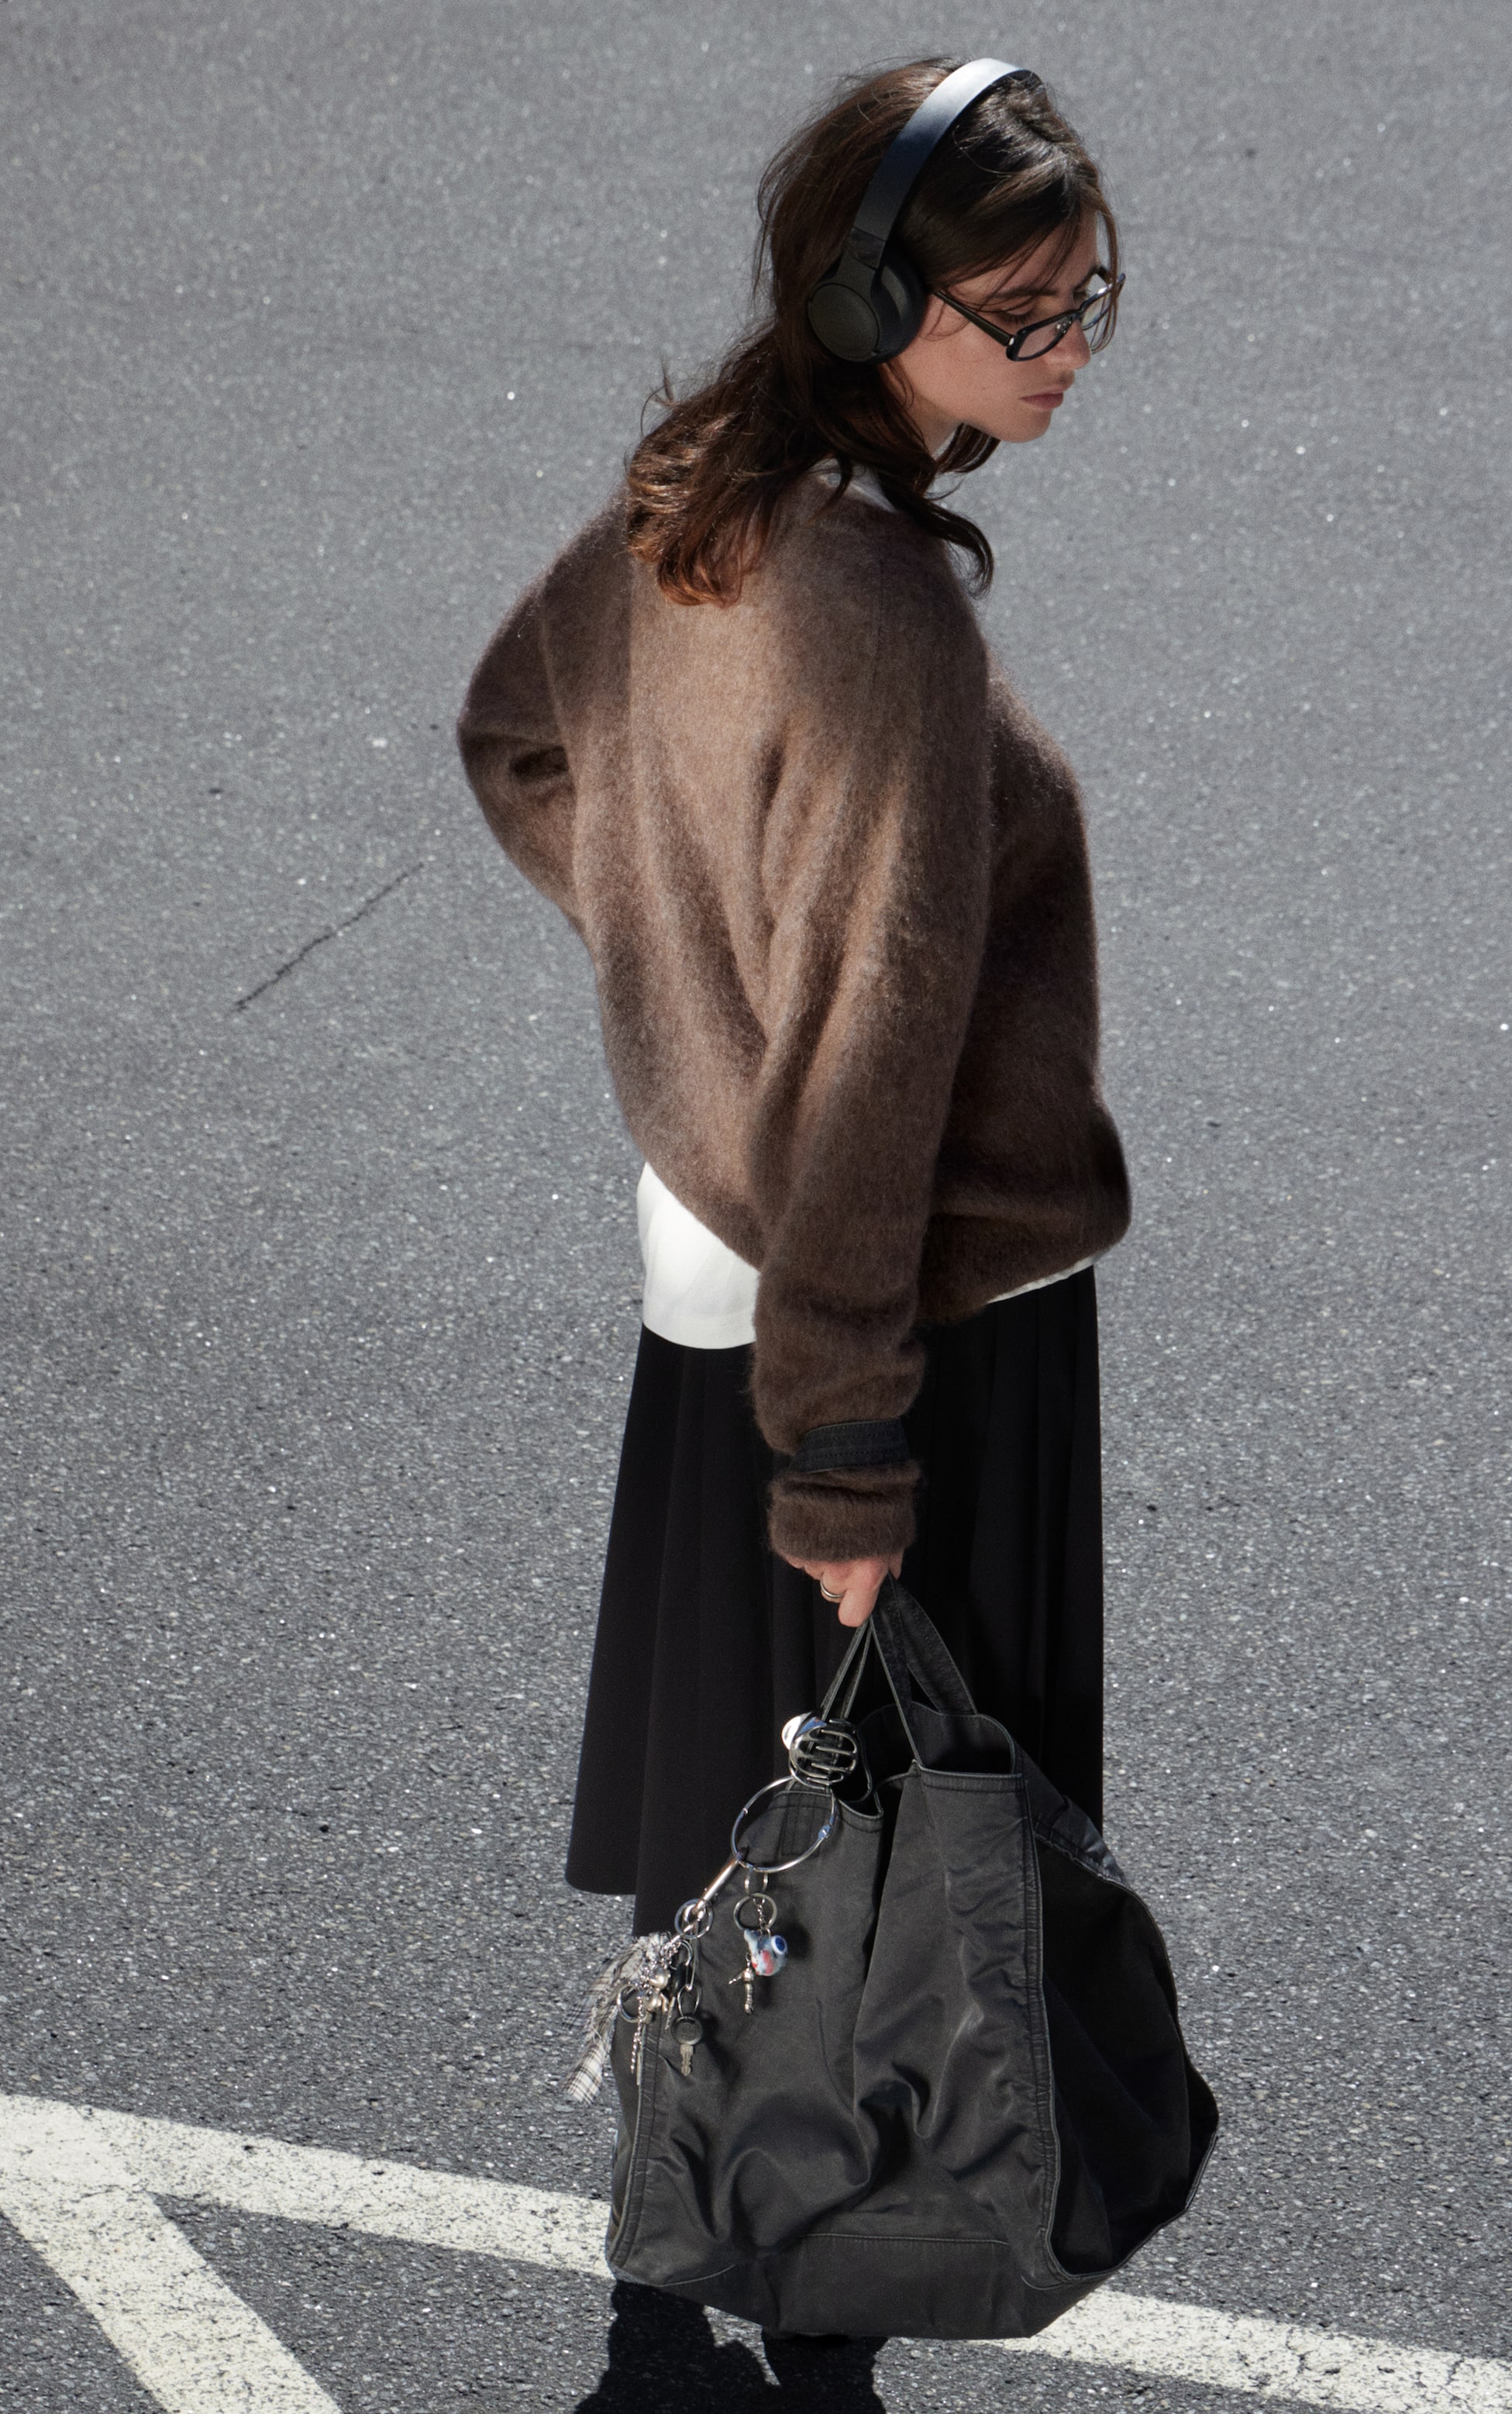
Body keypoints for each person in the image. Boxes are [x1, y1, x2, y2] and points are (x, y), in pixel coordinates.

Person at [458, 57, 1130, 1933]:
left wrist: (691, 991)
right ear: (873, 299)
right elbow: (864, 1053)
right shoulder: (886, 614)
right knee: (935, 1960)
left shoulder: (716, 489)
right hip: (907, 1329)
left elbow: (519, 739)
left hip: (730, 1275)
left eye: (1088, 296)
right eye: (1025, 313)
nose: (1072, 348)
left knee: (753, 1927)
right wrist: (846, 1459)